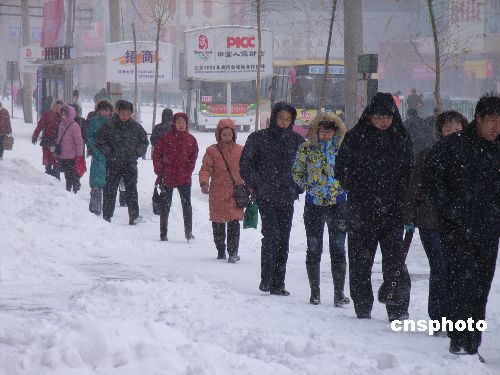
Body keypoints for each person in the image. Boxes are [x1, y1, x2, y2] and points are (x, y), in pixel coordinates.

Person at [424, 94, 500, 357]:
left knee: (481, 289)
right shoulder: (453, 146)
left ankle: (472, 343)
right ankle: (460, 339)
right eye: (491, 120)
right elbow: (431, 178)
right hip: (458, 230)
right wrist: (450, 209)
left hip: (489, 230)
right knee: (460, 286)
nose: (496, 127)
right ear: (478, 119)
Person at [335, 92, 413, 321]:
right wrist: (359, 188)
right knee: (360, 262)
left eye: (387, 117)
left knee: (395, 263)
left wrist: (402, 202)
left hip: (393, 212)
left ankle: (397, 308)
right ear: (370, 116)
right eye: (378, 117)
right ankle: (362, 307)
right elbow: (341, 169)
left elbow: (409, 173)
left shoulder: (401, 138)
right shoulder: (355, 137)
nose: (383, 121)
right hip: (361, 211)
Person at [405, 110, 467, 333]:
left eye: (456, 128)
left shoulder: (473, 155)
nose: (452, 132)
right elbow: (415, 187)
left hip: (462, 223)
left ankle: (455, 318)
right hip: (431, 222)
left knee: (458, 269)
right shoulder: (428, 155)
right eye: (447, 128)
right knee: (440, 267)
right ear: (440, 131)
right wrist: (409, 217)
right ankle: (439, 317)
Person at [240, 102, 304, 296]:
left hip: (287, 195)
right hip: (266, 195)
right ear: (274, 118)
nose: (284, 122)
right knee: (272, 235)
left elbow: (304, 167)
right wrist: (257, 184)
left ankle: (279, 283)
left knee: (284, 239)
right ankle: (266, 278)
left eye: (288, 119)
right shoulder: (259, 138)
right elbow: (245, 164)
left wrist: (298, 186)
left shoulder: (297, 140)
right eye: (281, 118)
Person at [292, 112, 350, 306]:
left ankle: (339, 293)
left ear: (336, 132)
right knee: (314, 247)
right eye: (322, 130)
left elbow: (352, 171)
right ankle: (314, 292)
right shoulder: (306, 149)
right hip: (314, 205)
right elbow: (296, 171)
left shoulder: (342, 149)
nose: (325, 134)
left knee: (338, 249)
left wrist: (343, 186)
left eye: (329, 131)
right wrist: (309, 185)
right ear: (315, 131)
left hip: (338, 204)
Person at [95, 100, 149, 225]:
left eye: (128, 113)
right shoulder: (109, 125)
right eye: (123, 113)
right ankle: (107, 216)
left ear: (131, 114)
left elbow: (144, 142)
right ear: (118, 112)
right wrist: (109, 153)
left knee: (132, 190)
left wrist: (137, 153)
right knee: (110, 190)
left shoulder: (136, 127)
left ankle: (134, 216)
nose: (125, 116)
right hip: (113, 163)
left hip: (130, 163)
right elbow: (99, 140)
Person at [199, 119, 244, 263]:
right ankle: (220, 250)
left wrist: (250, 187)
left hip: (234, 193)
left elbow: (247, 170)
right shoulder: (212, 151)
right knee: (218, 223)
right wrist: (204, 182)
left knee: (234, 223)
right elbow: (205, 168)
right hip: (217, 193)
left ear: (233, 134)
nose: (226, 137)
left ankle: (232, 252)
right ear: (219, 134)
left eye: (229, 134)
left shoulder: (240, 150)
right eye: (223, 134)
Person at [153, 112, 198, 241]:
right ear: (174, 123)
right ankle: (163, 233)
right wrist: (160, 170)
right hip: (167, 176)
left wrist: (188, 170)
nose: (181, 125)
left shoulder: (191, 140)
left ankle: (188, 232)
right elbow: (157, 155)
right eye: (178, 122)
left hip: (184, 178)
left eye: (183, 122)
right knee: (165, 205)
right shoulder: (165, 138)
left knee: (187, 205)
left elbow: (193, 157)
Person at [86, 100, 113, 215]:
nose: (104, 112)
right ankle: (95, 207)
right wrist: (96, 149)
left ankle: (107, 209)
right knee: (97, 182)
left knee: (109, 184)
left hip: (110, 157)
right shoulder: (94, 122)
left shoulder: (113, 122)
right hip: (98, 156)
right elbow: (89, 136)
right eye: (102, 110)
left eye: (106, 110)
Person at [32, 99, 64, 179]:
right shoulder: (47, 114)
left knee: (56, 159)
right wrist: (35, 135)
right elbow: (40, 125)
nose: (58, 108)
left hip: (57, 142)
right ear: (54, 106)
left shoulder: (62, 117)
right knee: (48, 158)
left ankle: (56, 175)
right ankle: (48, 173)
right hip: (47, 140)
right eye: (57, 106)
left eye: (60, 107)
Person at [56, 105, 84, 193]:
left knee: (73, 172)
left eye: (66, 113)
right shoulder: (61, 124)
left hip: (72, 155)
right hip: (64, 154)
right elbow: (59, 137)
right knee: (67, 173)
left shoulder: (75, 126)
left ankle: (74, 187)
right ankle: (68, 188)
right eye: (63, 112)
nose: (64, 115)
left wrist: (79, 155)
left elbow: (79, 142)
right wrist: (57, 148)